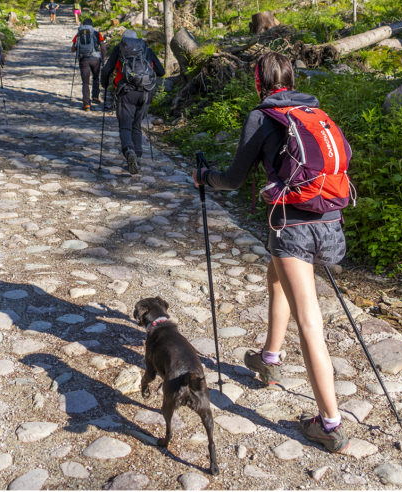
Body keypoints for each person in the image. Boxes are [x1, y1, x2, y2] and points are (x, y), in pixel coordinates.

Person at [192, 51, 350, 454]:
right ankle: (269, 356)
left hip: (293, 226)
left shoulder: (262, 117)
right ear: (292, 78)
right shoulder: (314, 112)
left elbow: (232, 179)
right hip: (331, 218)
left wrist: (203, 177)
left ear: (258, 80)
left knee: (309, 320)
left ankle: (329, 424)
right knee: (274, 274)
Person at [101, 29, 165, 175]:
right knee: (136, 125)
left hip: (126, 92)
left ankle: (129, 151)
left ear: (123, 41)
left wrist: (104, 85)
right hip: (146, 93)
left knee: (125, 127)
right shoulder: (147, 50)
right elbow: (161, 72)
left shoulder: (119, 50)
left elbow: (106, 71)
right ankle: (138, 156)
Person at [71, 17, 106, 111]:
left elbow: (72, 49)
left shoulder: (79, 34)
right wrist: (103, 57)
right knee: (95, 78)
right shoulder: (97, 33)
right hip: (96, 59)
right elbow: (103, 47)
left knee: (85, 82)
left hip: (83, 59)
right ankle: (95, 97)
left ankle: (86, 104)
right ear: (92, 25)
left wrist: (79, 49)